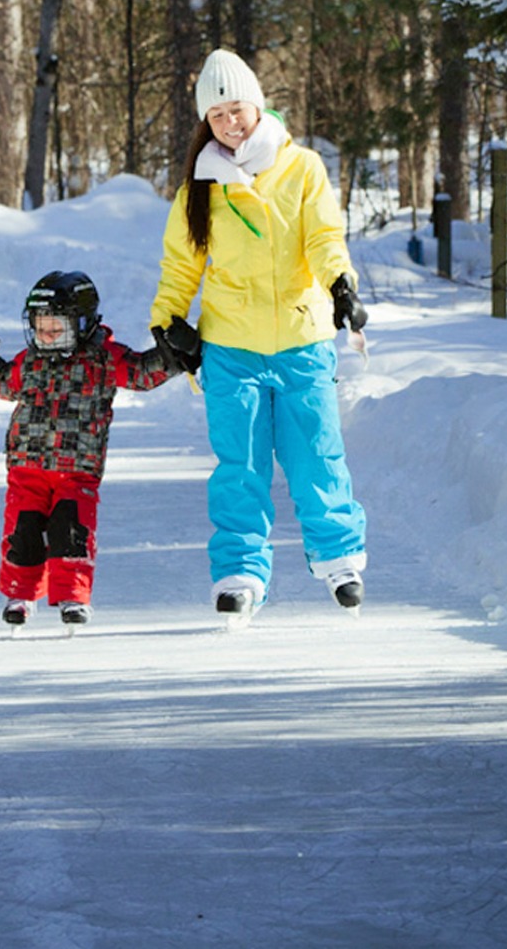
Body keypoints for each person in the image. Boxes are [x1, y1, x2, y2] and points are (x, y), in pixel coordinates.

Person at [148, 48, 371, 620]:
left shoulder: (302, 168)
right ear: (206, 122)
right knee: (240, 466)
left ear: (258, 105)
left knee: (316, 454)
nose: (230, 122)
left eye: (237, 109)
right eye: (216, 115)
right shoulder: (199, 187)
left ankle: (339, 557)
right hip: (231, 347)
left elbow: (323, 237)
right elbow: (180, 268)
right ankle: (239, 571)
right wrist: (167, 321)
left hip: (301, 338)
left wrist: (340, 283)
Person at [0, 271, 184, 630]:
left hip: (78, 468)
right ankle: (19, 594)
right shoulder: (30, 360)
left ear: (81, 323)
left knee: (72, 533)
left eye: (56, 328)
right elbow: (2, 383)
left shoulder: (104, 358)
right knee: (23, 532)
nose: (45, 335)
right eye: (40, 326)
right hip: (27, 466)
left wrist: (175, 355)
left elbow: (142, 372)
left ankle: (72, 597)